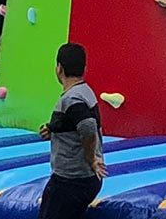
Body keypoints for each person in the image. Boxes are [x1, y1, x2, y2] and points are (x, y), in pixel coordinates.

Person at [37, 43, 105, 219]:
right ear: (84, 69)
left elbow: (87, 126)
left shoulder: (72, 98)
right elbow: (75, 123)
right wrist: (53, 129)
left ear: (59, 68)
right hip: (83, 180)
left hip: (71, 180)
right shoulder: (85, 91)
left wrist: (91, 159)